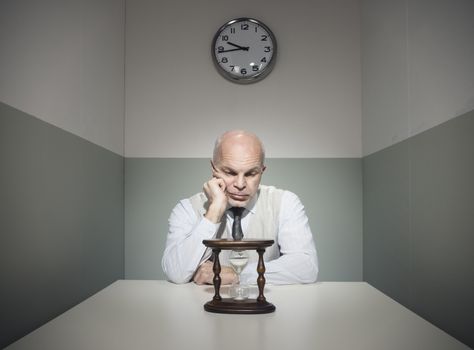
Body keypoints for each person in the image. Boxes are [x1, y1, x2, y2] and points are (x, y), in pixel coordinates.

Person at [162, 130, 318, 285]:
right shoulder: (187, 208)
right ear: (213, 168)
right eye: (230, 172)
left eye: (251, 174)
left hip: (266, 306)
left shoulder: (285, 202)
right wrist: (214, 211)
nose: (240, 184)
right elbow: (176, 273)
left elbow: (306, 267)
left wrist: (238, 275)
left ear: (262, 171)